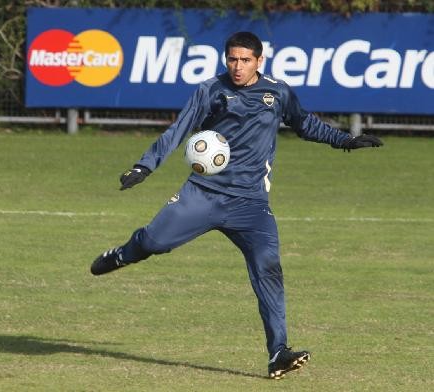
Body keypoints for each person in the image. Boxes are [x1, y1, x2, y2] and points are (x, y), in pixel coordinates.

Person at [90, 31, 383, 379]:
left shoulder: (277, 92)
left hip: (251, 204)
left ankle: (278, 353)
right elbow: (179, 129)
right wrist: (145, 165)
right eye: (232, 59)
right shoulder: (211, 90)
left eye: (245, 60)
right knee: (154, 242)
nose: (237, 67)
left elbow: (305, 124)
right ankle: (124, 254)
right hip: (204, 193)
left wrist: (345, 140)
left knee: (268, 268)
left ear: (260, 61)